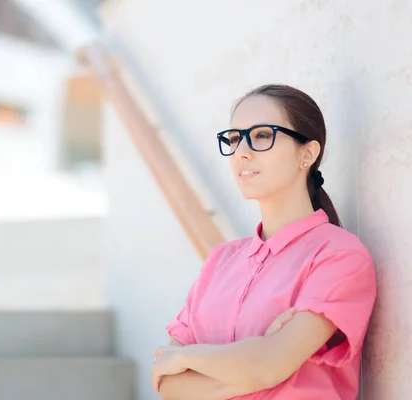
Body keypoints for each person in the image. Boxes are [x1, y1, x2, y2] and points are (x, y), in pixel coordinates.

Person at [151, 84, 377, 400]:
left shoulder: (339, 256)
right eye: (233, 139)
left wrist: (185, 358)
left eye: (261, 136)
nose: (242, 152)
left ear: (307, 154)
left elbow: (268, 365)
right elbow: (170, 386)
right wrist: (254, 367)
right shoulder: (221, 260)